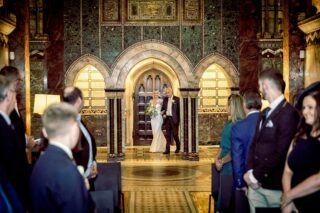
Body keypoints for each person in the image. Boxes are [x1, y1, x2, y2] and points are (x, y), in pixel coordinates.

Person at [244, 69, 300, 212]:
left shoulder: (289, 113)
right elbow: (254, 144)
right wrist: (250, 172)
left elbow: (281, 152)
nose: (260, 90)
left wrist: (256, 176)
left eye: (260, 85)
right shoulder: (264, 112)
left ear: (266, 85)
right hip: (255, 187)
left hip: (274, 187)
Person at [29, 103, 95, 213]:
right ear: (75, 129)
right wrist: (81, 189)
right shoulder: (67, 171)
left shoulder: (42, 160)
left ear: (45, 132)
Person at [0, 66, 34, 210]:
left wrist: (26, 141)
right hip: (12, 182)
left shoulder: (14, 107)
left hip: (19, 172)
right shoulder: (2, 124)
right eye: (19, 80)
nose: (20, 84)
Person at [282, 90, 320, 213]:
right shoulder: (299, 135)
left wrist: (289, 196)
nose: (304, 112)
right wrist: (289, 201)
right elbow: (287, 171)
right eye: (303, 107)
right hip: (293, 205)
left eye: (310, 107)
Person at [213, 94, 245, 213]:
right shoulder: (228, 123)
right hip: (222, 165)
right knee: (224, 196)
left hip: (232, 166)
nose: (226, 107)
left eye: (228, 104)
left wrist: (222, 161)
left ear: (234, 105)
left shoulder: (239, 125)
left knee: (230, 200)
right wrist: (216, 158)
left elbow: (235, 150)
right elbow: (222, 145)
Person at [231, 91, 262, 213]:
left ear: (245, 105)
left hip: (246, 178)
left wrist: (240, 183)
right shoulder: (270, 121)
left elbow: (237, 158)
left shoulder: (239, 127)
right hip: (269, 180)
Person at [63, 86, 98, 191]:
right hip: (76, 184)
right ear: (79, 100)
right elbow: (69, 155)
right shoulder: (66, 122)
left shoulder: (78, 119)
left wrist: (93, 164)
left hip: (87, 179)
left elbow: (89, 145)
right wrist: (86, 173)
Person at [161, 87, 181, 154]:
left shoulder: (177, 99)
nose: (167, 94)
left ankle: (178, 147)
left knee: (175, 135)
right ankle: (167, 150)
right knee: (168, 135)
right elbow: (162, 109)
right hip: (167, 119)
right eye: (166, 93)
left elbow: (179, 111)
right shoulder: (165, 99)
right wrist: (163, 114)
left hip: (174, 119)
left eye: (168, 92)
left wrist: (178, 120)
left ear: (171, 92)